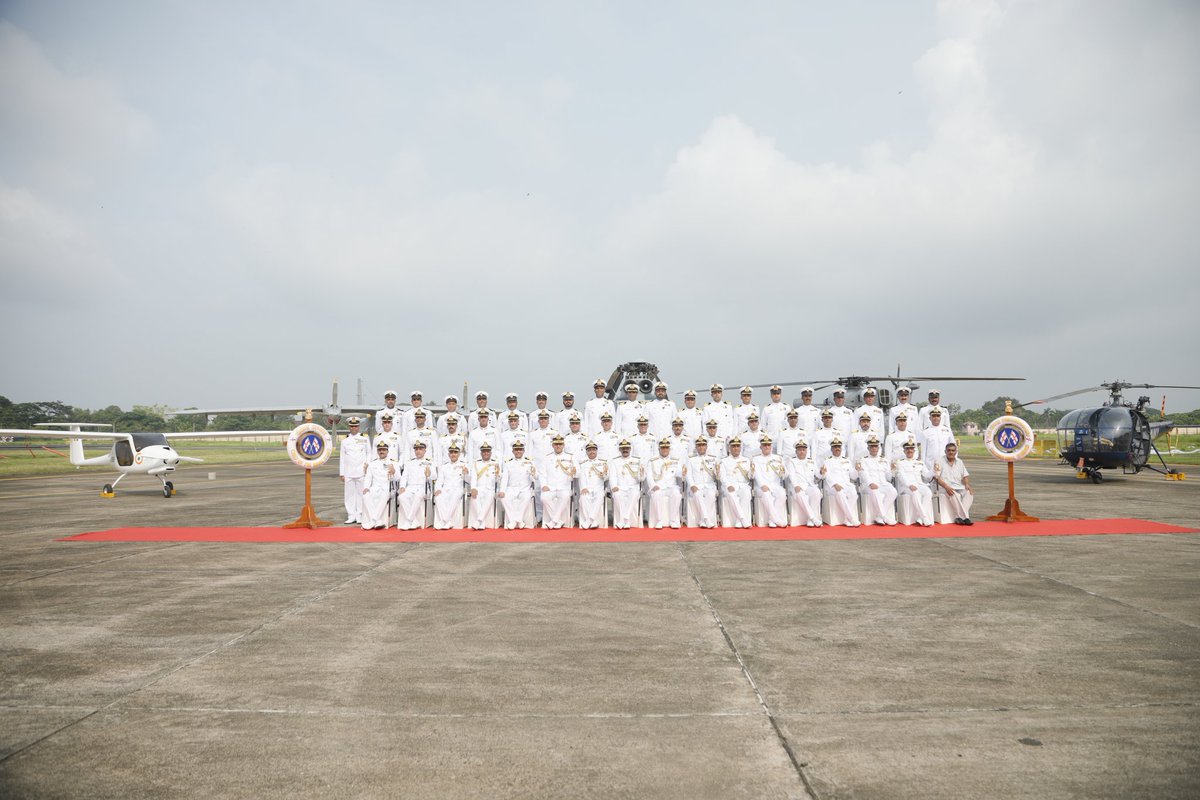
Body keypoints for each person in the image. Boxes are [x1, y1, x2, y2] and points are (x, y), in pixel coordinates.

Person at [856, 436, 898, 526]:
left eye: (876, 446)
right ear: (868, 448)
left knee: (893, 491)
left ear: (879, 448)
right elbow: (863, 474)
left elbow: (888, 477)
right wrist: (870, 483)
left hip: (883, 483)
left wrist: (893, 470)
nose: (874, 448)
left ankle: (879, 516)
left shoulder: (884, 460)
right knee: (875, 492)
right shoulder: (863, 460)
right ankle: (884, 517)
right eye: (872, 447)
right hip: (868, 485)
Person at [820, 438, 861, 526]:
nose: (837, 448)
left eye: (838, 447)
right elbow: (826, 475)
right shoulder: (827, 461)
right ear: (831, 449)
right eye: (835, 447)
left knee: (854, 493)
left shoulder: (847, 460)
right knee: (840, 493)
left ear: (841, 448)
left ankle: (846, 519)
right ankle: (851, 518)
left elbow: (853, 476)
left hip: (846, 484)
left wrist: (857, 470)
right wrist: (835, 484)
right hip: (832, 486)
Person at [338, 417, 371, 525]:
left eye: (356, 426)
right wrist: (342, 473)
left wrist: (367, 466)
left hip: (361, 471)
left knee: (361, 493)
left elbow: (369, 453)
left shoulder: (365, 439)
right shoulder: (345, 441)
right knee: (349, 495)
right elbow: (342, 457)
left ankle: (360, 515)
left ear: (359, 427)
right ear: (349, 427)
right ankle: (351, 515)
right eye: (352, 426)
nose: (354, 428)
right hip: (349, 472)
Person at [647, 438, 685, 529]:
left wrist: (683, 473)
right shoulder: (653, 461)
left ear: (669, 449)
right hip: (658, 487)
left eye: (666, 448)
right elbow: (649, 475)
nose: (665, 450)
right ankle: (659, 521)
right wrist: (653, 485)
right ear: (659, 449)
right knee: (656, 495)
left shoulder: (675, 461)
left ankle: (673, 521)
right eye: (662, 448)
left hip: (671, 487)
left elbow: (679, 473)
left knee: (677, 495)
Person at [498, 441, 536, 529]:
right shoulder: (508, 463)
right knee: (503, 498)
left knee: (526, 497)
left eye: (520, 449)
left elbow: (536, 477)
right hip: (512, 488)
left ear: (523, 451)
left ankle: (515, 521)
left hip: (525, 488)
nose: (518, 451)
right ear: (513, 451)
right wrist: (502, 490)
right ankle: (516, 521)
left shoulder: (529, 462)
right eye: (516, 450)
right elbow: (505, 478)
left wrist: (533, 474)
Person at [540, 435, 576, 529]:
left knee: (565, 496)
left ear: (563, 445)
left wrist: (574, 473)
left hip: (564, 487)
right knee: (544, 497)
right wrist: (544, 485)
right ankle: (558, 521)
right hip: (550, 487)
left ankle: (554, 521)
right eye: (556, 444)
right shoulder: (547, 457)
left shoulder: (570, 457)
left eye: (560, 444)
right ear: (553, 445)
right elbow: (542, 473)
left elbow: (578, 472)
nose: (558, 446)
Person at [934, 441, 974, 525]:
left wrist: (967, 484)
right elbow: (936, 478)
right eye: (948, 450)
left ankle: (958, 517)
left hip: (959, 486)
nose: (951, 452)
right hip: (944, 487)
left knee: (969, 493)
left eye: (953, 450)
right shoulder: (939, 461)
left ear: (956, 452)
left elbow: (965, 476)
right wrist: (946, 486)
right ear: (945, 451)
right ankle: (965, 517)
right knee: (954, 494)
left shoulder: (959, 462)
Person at [895, 441, 934, 526]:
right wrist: (909, 485)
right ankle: (924, 517)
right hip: (906, 487)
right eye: (907, 449)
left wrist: (934, 470)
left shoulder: (920, 462)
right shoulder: (900, 463)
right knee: (915, 493)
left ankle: (919, 518)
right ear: (904, 451)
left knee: (928, 492)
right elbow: (901, 476)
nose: (909, 450)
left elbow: (926, 475)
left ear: (914, 450)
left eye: (911, 449)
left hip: (919, 484)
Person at [396, 440, 433, 530]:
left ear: (425, 451)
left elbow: (434, 476)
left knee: (418, 495)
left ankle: (409, 521)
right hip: (410, 487)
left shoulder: (430, 462)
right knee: (401, 497)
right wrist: (402, 487)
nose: (418, 451)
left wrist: (429, 474)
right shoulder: (409, 463)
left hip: (424, 487)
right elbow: (404, 477)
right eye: (416, 449)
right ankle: (415, 521)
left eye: (420, 449)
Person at [752, 437, 788, 527]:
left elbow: (785, 474)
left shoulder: (778, 458)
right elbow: (756, 474)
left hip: (775, 484)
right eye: (764, 445)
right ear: (761, 447)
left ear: (771, 446)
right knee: (766, 494)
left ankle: (772, 519)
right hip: (761, 485)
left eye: (768, 445)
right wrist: (762, 485)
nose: (767, 447)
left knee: (782, 493)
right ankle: (776, 519)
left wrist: (783, 473)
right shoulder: (756, 459)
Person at [360, 441, 397, 530]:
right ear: (377, 451)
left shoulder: (393, 463)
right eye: (380, 450)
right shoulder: (372, 463)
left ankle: (373, 521)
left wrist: (393, 472)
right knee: (365, 495)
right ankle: (377, 521)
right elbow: (368, 478)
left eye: (384, 450)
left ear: (387, 451)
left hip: (388, 487)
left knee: (384, 495)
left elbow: (398, 478)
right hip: (375, 487)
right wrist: (366, 487)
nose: (382, 451)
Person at [608, 439, 644, 529]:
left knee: (635, 493)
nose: (625, 450)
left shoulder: (637, 460)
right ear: (620, 450)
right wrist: (614, 486)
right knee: (616, 495)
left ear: (630, 449)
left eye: (627, 448)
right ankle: (626, 520)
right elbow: (612, 476)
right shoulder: (614, 461)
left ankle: (624, 520)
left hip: (633, 487)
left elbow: (641, 478)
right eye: (623, 448)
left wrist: (642, 475)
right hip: (620, 487)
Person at [785, 440, 822, 527]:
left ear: (806, 451)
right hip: (797, 486)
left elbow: (818, 474)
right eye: (800, 450)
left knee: (816, 492)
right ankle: (813, 518)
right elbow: (792, 475)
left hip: (809, 486)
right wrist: (796, 485)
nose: (802, 452)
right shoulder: (791, 461)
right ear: (796, 451)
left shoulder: (812, 461)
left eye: (803, 450)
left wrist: (821, 472)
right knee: (800, 495)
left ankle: (810, 519)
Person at [719, 437, 753, 528]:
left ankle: (738, 521)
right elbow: (722, 476)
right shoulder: (724, 461)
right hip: (730, 485)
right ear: (729, 448)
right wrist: (728, 485)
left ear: (740, 448)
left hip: (743, 485)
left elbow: (750, 477)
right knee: (732, 494)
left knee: (746, 494)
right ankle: (743, 519)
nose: (736, 448)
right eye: (733, 446)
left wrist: (752, 472)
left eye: (738, 446)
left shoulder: (746, 460)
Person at [686, 435, 720, 528]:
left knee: (711, 495)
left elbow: (717, 475)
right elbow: (688, 474)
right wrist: (692, 485)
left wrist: (718, 474)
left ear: (706, 447)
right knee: (697, 494)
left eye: (703, 445)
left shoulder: (713, 459)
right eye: (699, 445)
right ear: (696, 447)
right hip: (696, 485)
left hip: (709, 485)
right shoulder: (691, 459)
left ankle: (703, 520)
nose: (701, 447)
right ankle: (707, 519)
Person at [432, 444, 468, 529]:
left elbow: (468, 480)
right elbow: (439, 480)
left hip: (458, 488)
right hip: (446, 489)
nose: (453, 454)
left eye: (455, 452)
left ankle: (444, 520)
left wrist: (466, 474)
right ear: (448, 455)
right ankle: (447, 522)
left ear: (459, 454)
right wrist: (437, 489)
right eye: (451, 452)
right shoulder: (444, 467)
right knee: (438, 498)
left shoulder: (464, 465)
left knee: (455, 496)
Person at [576, 441, 609, 529]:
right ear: (586, 452)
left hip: (599, 488)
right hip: (587, 488)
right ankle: (593, 521)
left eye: (594, 450)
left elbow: (606, 477)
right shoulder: (583, 464)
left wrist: (605, 475)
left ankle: (589, 520)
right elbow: (581, 477)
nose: (592, 452)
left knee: (599, 497)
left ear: (597, 451)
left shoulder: (603, 463)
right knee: (583, 498)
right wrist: (583, 488)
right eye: (589, 450)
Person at [467, 442, 500, 529]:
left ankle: (479, 521)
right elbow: (473, 477)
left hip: (490, 489)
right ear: (481, 453)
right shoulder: (476, 463)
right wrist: (473, 488)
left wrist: (498, 475)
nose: (486, 453)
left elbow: (498, 480)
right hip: (479, 488)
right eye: (484, 451)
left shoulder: (496, 463)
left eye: (487, 451)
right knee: (474, 496)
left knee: (489, 496)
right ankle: (481, 522)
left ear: (491, 453)